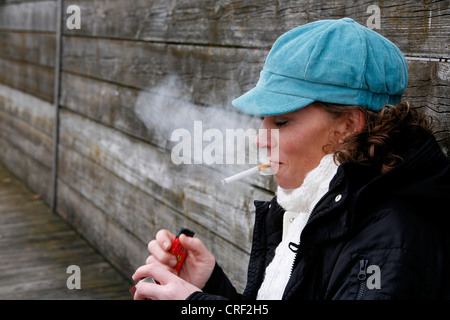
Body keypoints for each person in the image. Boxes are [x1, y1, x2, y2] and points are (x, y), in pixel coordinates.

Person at [132, 18, 450, 300]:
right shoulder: (311, 207)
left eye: (281, 122)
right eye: (263, 119)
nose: (260, 138)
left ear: (349, 125)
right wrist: (209, 286)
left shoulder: (389, 241)